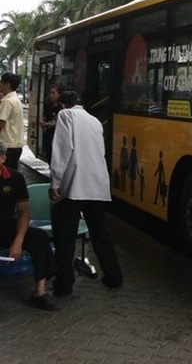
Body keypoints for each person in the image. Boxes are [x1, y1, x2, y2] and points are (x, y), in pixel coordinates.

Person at [49, 90, 123, 296]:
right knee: (101, 233)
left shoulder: (66, 116)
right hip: (97, 184)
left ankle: (64, 284)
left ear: (64, 105)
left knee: (65, 236)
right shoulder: (95, 121)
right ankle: (114, 276)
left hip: (74, 186)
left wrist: (55, 181)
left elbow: (63, 150)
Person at [0, 140, 59, 310]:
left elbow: (24, 211)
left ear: (3, 158)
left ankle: (39, 293)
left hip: (7, 229)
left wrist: (18, 241)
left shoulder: (15, 179)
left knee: (39, 238)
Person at [0, 72, 24, 170]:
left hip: (7, 145)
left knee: (5, 176)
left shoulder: (7, 101)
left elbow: (1, 123)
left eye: (1, 82)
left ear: (7, 85)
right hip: (15, 145)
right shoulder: (15, 99)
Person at [39, 84, 64, 163]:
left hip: (58, 134)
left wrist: (53, 124)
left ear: (59, 94)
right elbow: (43, 118)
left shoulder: (62, 107)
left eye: (53, 93)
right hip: (49, 134)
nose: (51, 95)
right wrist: (44, 123)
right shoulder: (48, 106)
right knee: (49, 153)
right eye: (50, 93)